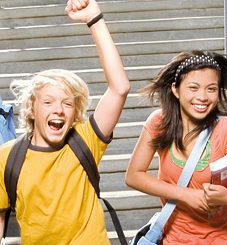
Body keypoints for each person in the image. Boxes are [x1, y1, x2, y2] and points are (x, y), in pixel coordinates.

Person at [0, 0, 130, 244]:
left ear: (75, 112)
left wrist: (94, 19)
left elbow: (120, 88)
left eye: (67, 104)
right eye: (48, 102)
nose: (58, 109)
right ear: (32, 109)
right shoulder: (7, 157)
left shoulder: (85, 139)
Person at [125, 50, 227, 244]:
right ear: (176, 89)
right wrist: (185, 194)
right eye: (193, 88)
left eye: (211, 89)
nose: (203, 97)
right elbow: (133, 176)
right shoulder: (159, 123)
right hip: (174, 240)